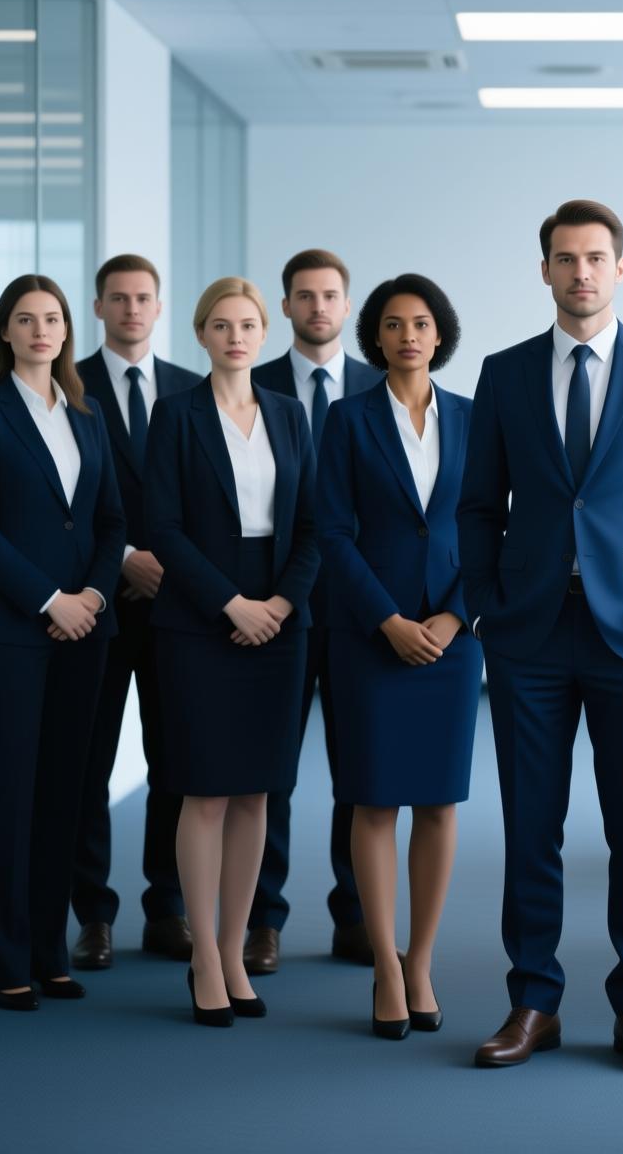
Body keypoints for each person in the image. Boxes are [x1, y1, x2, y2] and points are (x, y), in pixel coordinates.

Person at [458, 199, 623, 1073]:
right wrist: (489, 606)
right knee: (531, 827)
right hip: (528, 632)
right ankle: (533, 1001)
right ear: (544, 271)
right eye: (565, 259)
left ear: (620, 268)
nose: (581, 273)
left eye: (596, 258)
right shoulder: (504, 374)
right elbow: (475, 506)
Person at [145, 278, 319, 1026]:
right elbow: (164, 527)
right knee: (206, 790)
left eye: (248, 324)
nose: (237, 336)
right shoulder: (175, 414)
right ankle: (204, 960)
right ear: (202, 334)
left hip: (280, 617)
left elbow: (316, 520)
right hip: (199, 618)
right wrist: (231, 605)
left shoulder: (288, 413)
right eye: (222, 325)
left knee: (258, 792)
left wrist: (279, 603)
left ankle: (234, 942)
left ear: (263, 331)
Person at [0, 274, 125, 1009]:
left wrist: (90, 595)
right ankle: (5, 959)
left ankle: (52, 952)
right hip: (11, 632)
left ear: (65, 331)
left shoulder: (85, 414)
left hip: (86, 627)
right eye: (25, 319)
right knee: (11, 792)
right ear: (6, 333)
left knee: (65, 792)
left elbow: (112, 521)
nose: (40, 330)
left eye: (51, 318)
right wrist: (51, 598)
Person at [318, 274, 479, 1040]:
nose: (408, 334)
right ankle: (384, 964)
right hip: (370, 635)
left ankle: (421, 960)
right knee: (376, 800)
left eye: (421, 322)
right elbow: (332, 533)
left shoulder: (478, 421)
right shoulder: (346, 421)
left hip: (453, 636)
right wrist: (385, 618)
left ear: (440, 335)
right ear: (374, 338)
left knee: (439, 804)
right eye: (392, 323)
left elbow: (500, 533)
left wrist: (455, 615)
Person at [245, 248, 383, 974]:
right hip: (276, 605)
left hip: (357, 607)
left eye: (330, 295)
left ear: (346, 303)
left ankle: (355, 914)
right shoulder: (252, 383)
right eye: (304, 296)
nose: (318, 307)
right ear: (287, 305)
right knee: (273, 768)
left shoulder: (379, 386)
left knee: (356, 768)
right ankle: (263, 919)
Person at [70, 254, 202, 972]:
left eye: (142, 298)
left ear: (158, 307)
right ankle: (92, 914)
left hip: (176, 608)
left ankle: (167, 906)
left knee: (173, 759)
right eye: (117, 299)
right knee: (90, 762)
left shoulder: (188, 388)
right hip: (98, 602)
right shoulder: (70, 383)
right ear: (99, 308)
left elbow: (201, 499)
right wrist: (123, 560)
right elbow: (65, 500)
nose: (130, 310)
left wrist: (170, 568)